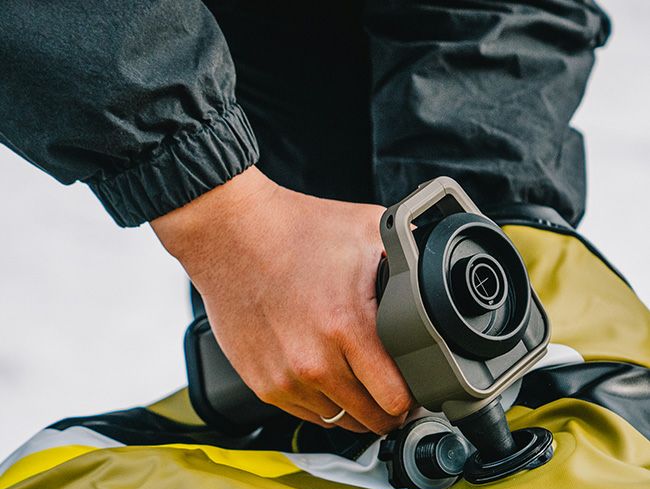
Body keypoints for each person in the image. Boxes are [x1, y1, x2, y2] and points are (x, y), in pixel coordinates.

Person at [0, 1, 610, 435]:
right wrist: (223, 214)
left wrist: (479, 214)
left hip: (333, 73)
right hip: (217, 66)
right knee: (300, 397)